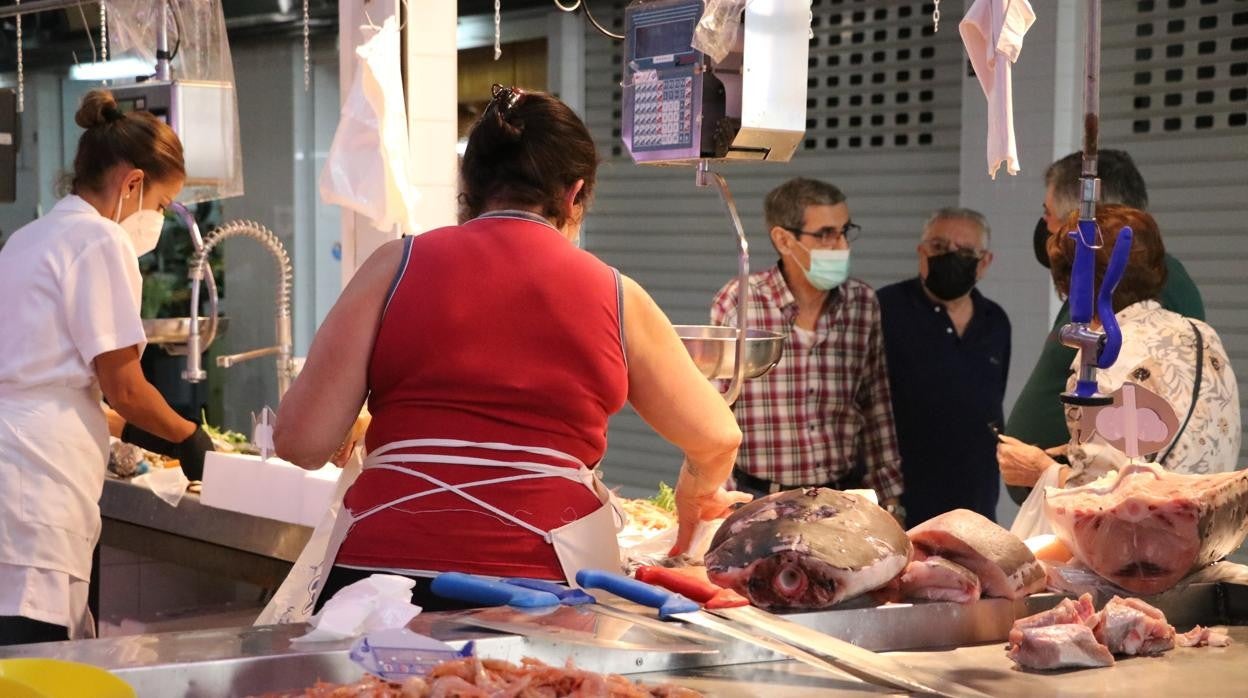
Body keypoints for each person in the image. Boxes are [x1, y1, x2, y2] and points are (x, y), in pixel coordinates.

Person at [274, 85, 745, 611]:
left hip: (377, 584)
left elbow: (301, 442)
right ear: (575, 194)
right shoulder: (615, 293)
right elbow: (717, 437)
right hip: (545, 589)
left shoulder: (392, 266)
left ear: (469, 185)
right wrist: (695, 498)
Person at [0, 90, 214, 646]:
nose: (158, 221)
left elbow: (59, 383)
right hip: (34, 492)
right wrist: (190, 437)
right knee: (34, 659)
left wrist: (141, 433)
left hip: (16, 467)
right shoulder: (99, 239)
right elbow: (124, 386)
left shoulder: (30, 237)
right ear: (133, 183)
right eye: (164, 205)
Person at [1002, 150, 1204, 503]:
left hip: (1108, 511)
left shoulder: (1150, 289)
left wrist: (1052, 470)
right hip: (1075, 499)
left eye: (1048, 214)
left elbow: (1141, 438)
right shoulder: (1102, 287)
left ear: (1083, 220)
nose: (1045, 228)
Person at [710, 177, 904, 520]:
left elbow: (876, 407)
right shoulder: (740, 302)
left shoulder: (861, 303)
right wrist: (721, 501)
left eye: (845, 231)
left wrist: (890, 501)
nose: (841, 244)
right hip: (761, 499)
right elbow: (716, 408)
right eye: (826, 234)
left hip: (842, 500)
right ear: (784, 240)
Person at [877, 208, 1010, 525]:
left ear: (985, 262)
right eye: (938, 247)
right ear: (921, 252)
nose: (950, 256)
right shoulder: (883, 309)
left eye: (964, 251)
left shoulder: (995, 322)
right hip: (901, 503)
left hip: (975, 501)